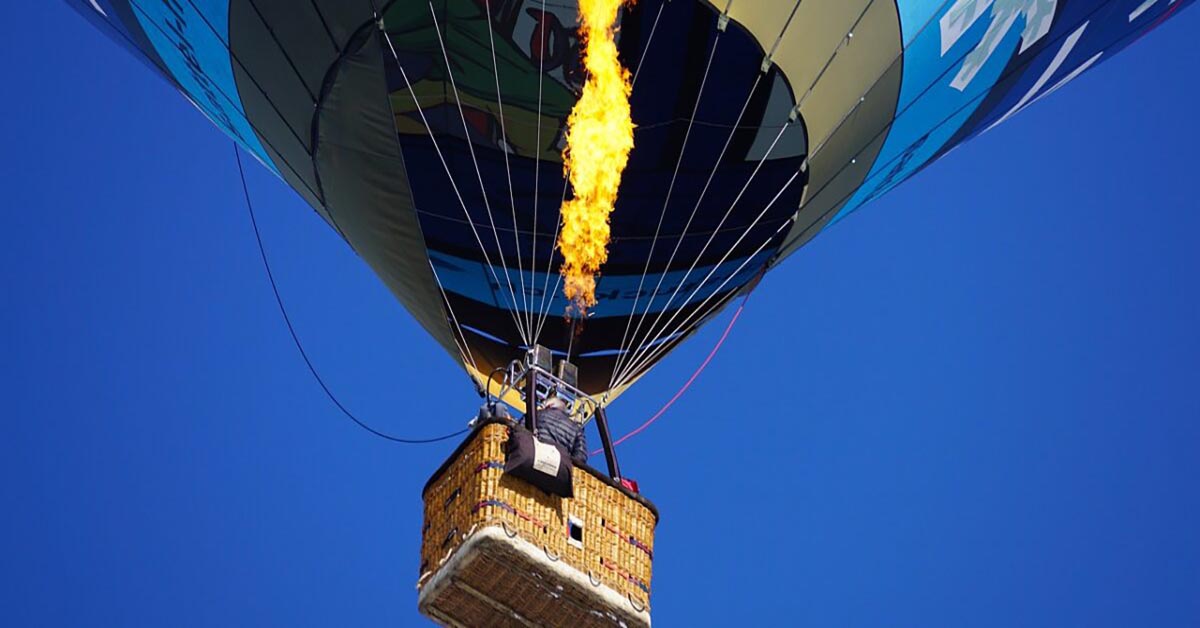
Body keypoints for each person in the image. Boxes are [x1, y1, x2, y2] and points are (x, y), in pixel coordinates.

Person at [534, 394, 588, 464]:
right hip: (558, 468)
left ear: (550, 405)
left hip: (534, 458)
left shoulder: (537, 414)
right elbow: (581, 456)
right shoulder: (576, 429)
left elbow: (519, 432)